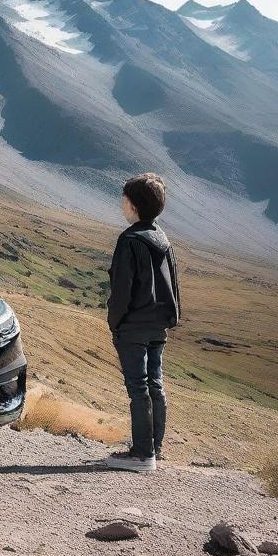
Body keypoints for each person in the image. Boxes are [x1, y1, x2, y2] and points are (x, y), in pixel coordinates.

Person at [102, 172, 181, 472]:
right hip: (158, 324)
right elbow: (173, 285)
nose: (122, 205)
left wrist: (114, 321)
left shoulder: (129, 240)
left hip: (133, 326)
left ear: (134, 207)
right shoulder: (162, 239)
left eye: (124, 201)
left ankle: (141, 454)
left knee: (138, 388)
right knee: (155, 385)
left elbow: (122, 290)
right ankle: (155, 450)